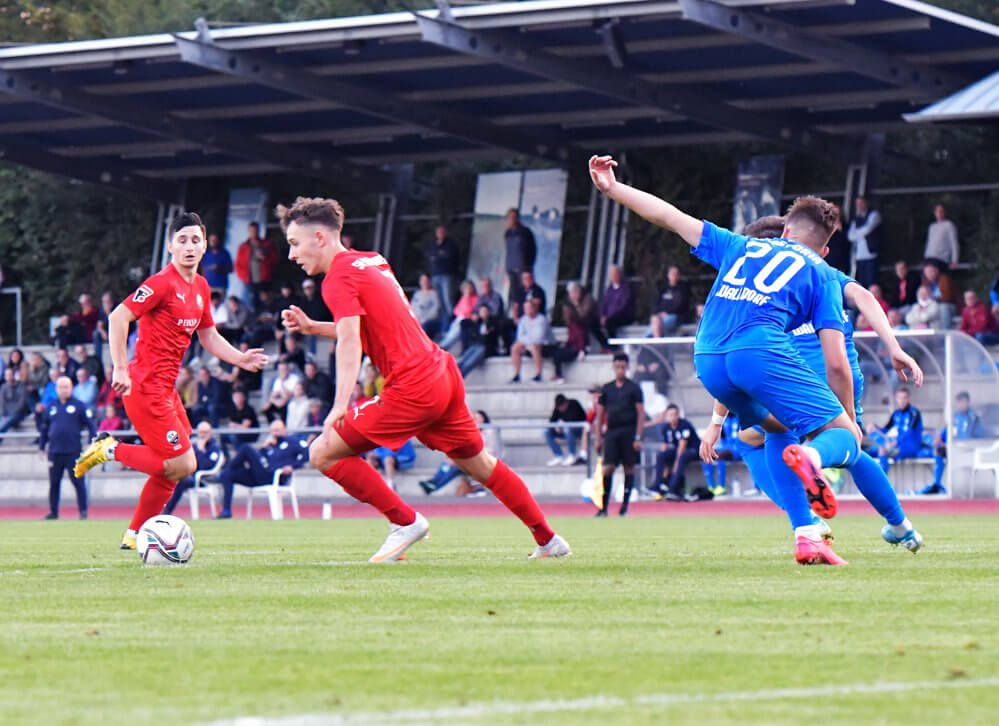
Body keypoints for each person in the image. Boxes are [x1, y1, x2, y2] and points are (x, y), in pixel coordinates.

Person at [591, 154, 900, 565]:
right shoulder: (822, 273)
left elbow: (669, 215)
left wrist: (613, 188)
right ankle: (812, 460)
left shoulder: (741, 245)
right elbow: (838, 362)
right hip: (757, 352)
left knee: (770, 430)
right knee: (843, 438)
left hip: (707, 358)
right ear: (825, 247)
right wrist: (844, 421)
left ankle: (807, 533)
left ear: (785, 230)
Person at [278, 196, 569, 561]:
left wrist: (339, 405)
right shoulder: (372, 261)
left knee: (322, 452)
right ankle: (548, 540)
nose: (291, 255)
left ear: (319, 237)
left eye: (294, 243)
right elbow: (378, 326)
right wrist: (313, 327)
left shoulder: (337, 278)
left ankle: (404, 521)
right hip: (442, 373)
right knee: (481, 465)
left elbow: (352, 340)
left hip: (413, 385)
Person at [701, 214, 923, 554]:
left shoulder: (756, 284)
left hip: (804, 375)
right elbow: (864, 296)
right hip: (841, 373)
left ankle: (807, 516)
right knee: (851, 449)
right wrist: (894, 347)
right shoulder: (821, 272)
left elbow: (740, 363)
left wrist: (716, 423)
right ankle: (901, 526)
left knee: (768, 436)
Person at [72, 212, 268, 551]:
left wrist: (240, 358)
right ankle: (109, 448)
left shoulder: (202, 287)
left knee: (172, 470)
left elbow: (209, 336)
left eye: (195, 240)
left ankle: (134, 535)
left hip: (166, 390)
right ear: (170, 246)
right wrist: (119, 367)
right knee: (184, 463)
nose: (189, 246)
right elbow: (118, 316)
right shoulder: (161, 283)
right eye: (182, 240)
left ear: (205, 246)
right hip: (143, 387)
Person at [215, 418, 308, 519]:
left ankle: (222, 473)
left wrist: (293, 466)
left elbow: (307, 454)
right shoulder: (270, 445)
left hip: (274, 476)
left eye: (278, 430)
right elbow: (259, 459)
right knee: (228, 475)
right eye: (273, 430)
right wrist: (264, 447)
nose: (275, 433)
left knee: (246, 448)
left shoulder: (292, 442)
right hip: (259, 475)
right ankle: (226, 511)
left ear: (284, 430)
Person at [593, 353, 645, 517]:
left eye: (623, 367)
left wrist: (638, 437)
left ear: (627, 367)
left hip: (629, 432)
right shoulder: (606, 389)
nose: (620, 370)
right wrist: (598, 437)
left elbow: (641, 414)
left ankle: (624, 507)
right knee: (608, 469)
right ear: (613, 368)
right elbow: (600, 415)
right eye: (617, 367)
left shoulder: (634, 388)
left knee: (628, 468)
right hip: (612, 433)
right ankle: (603, 507)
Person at [39, 375, 95, 520]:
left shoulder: (79, 405)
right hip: (55, 452)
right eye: (61, 387)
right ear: (56, 389)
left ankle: (83, 511)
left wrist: (91, 442)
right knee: (54, 483)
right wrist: (41, 446)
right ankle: (53, 512)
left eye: (66, 387)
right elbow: (44, 428)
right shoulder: (51, 407)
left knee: (78, 482)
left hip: (73, 452)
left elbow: (91, 425)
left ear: (71, 388)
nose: (63, 390)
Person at [419, 410, 498, 497]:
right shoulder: (471, 431)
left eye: (476, 418)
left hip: (484, 460)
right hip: (469, 460)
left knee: (456, 464)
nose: (474, 420)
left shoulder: (490, 432)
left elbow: (491, 450)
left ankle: (434, 484)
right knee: (448, 464)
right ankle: (434, 483)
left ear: (483, 419)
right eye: (473, 418)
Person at [920, 391, 983, 495]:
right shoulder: (955, 417)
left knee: (940, 450)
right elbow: (946, 432)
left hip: (967, 449)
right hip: (952, 448)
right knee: (937, 449)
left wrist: (952, 443)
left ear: (968, 402)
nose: (960, 405)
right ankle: (937, 484)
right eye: (958, 402)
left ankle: (939, 485)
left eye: (962, 402)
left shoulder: (973, 417)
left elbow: (971, 436)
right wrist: (939, 438)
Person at [163, 421, 224, 515]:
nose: (203, 435)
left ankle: (167, 511)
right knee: (170, 477)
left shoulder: (214, 448)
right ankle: (160, 507)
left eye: (205, 432)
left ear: (210, 433)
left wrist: (201, 450)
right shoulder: (193, 445)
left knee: (182, 480)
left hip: (204, 479)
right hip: (191, 476)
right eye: (201, 432)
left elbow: (205, 467)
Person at [868, 387, 923, 475]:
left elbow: (909, 432)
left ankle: (882, 481)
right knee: (866, 452)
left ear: (908, 399)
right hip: (895, 446)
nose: (902, 400)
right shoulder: (896, 413)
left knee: (883, 450)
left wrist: (895, 442)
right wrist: (875, 427)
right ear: (896, 399)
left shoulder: (914, 413)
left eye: (904, 398)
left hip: (910, 447)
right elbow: (885, 430)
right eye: (899, 398)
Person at [654, 404, 702, 501]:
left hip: (695, 451)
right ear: (667, 416)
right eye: (670, 415)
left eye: (674, 414)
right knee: (661, 455)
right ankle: (658, 485)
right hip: (679, 451)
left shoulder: (684, 425)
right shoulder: (666, 428)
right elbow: (664, 446)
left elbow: (682, 447)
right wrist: (665, 465)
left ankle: (672, 489)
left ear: (678, 415)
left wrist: (675, 465)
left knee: (682, 457)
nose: (672, 417)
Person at [509, 299, 556, 383]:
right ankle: (516, 375)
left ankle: (538, 374)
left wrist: (526, 343)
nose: (526, 310)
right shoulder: (523, 319)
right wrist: (526, 344)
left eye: (529, 308)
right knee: (515, 347)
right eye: (525, 308)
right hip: (529, 345)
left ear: (534, 308)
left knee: (534, 346)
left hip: (547, 345)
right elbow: (520, 336)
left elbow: (539, 338)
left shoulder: (542, 319)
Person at [234, 221, 279, 307]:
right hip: (249, 281)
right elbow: (238, 264)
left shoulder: (267, 244)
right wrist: (243, 277)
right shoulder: (243, 246)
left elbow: (275, 260)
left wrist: (265, 258)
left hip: (264, 280)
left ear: (258, 231)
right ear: (248, 232)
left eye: (255, 231)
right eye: (251, 231)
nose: (253, 233)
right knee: (250, 302)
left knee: (266, 302)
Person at [456, 304, 501, 377]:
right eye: (481, 311)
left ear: (489, 312)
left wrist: (483, 335)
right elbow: (465, 325)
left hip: (485, 348)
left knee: (468, 365)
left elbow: (488, 338)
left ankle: (457, 381)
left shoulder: (493, 322)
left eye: (485, 311)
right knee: (461, 363)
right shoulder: (478, 323)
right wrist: (474, 323)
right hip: (476, 345)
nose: (483, 313)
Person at [847, 195, 881, 289]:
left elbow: (868, 229)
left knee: (872, 283)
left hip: (871, 255)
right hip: (859, 257)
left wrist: (857, 233)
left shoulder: (874, 215)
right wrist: (861, 233)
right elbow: (850, 236)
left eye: (861, 203)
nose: (859, 206)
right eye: (857, 204)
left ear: (866, 203)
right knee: (862, 284)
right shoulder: (856, 219)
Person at [597, 264, 634, 348]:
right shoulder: (609, 289)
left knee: (609, 322)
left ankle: (613, 345)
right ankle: (604, 345)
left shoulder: (626, 288)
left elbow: (623, 306)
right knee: (593, 323)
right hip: (608, 317)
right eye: (611, 275)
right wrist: (602, 316)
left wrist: (609, 316)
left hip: (623, 316)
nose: (612, 276)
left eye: (614, 274)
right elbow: (604, 304)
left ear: (619, 274)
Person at [504, 208, 536, 305]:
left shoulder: (525, 232)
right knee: (513, 293)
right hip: (510, 267)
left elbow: (532, 250)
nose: (512, 219)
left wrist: (528, 266)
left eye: (514, 217)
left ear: (518, 218)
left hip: (523, 268)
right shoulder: (507, 233)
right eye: (510, 217)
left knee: (525, 292)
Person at [428, 225, 459, 320]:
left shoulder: (450, 245)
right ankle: (443, 320)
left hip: (447, 275)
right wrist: (440, 255)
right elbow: (431, 257)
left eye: (442, 232)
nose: (440, 234)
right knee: (439, 301)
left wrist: (439, 257)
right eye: (438, 232)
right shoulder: (434, 245)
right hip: (435, 275)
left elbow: (449, 258)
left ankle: (451, 319)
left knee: (448, 298)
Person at [545, 394, 586, 466]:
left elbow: (574, 420)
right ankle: (558, 455)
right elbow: (551, 421)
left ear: (566, 403)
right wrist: (556, 426)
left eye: (562, 406)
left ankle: (572, 455)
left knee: (567, 429)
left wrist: (562, 424)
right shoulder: (558, 408)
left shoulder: (574, 404)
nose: (560, 409)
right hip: (564, 431)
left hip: (579, 430)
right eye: (559, 407)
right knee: (546, 432)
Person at [437, 279, 479, 351]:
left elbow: (468, 309)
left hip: (467, 319)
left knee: (455, 331)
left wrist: (467, 297)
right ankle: (443, 345)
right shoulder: (463, 298)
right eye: (466, 288)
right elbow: (456, 311)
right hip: (460, 318)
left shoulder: (476, 298)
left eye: (469, 287)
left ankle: (443, 345)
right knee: (451, 330)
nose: (468, 289)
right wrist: (463, 311)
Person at [650, 265, 691, 336]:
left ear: (679, 275)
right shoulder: (663, 288)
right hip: (660, 317)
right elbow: (656, 303)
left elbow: (681, 305)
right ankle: (656, 341)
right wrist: (659, 313)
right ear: (668, 275)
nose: (674, 275)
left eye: (676, 273)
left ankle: (654, 343)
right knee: (654, 320)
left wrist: (667, 312)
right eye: (672, 273)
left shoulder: (683, 289)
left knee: (656, 326)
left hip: (675, 316)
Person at [299, 278, 332, 355]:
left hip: (321, 324)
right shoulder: (303, 301)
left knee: (311, 332)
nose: (308, 290)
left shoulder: (321, 299)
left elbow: (322, 314)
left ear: (314, 288)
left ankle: (312, 354)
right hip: (308, 325)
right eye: (306, 288)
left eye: (310, 287)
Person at [924, 204, 958, 269]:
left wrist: (954, 260)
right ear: (935, 213)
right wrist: (926, 256)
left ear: (944, 212)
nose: (939, 213)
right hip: (929, 258)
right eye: (937, 211)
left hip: (941, 259)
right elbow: (929, 243)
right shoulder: (932, 226)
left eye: (941, 211)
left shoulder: (949, 225)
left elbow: (954, 243)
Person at [0, 366, 29, 441]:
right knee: (5, 420)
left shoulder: (21, 386)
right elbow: (2, 403)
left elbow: (22, 403)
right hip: (7, 415)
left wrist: (11, 414)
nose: (8, 376)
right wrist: (4, 414)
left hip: (18, 413)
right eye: (7, 375)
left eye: (10, 374)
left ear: (13, 375)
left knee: (9, 420)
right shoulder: (3, 387)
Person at [411, 273, 443, 340]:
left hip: (427, 322)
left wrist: (424, 319)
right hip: (415, 320)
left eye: (426, 280)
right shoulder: (417, 293)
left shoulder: (434, 294)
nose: (424, 282)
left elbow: (436, 310)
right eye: (422, 280)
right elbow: (412, 307)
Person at [93, 291, 116, 364]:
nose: (106, 303)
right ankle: (98, 358)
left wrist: (109, 312)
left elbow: (115, 323)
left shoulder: (117, 308)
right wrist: (103, 332)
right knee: (95, 334)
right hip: (106, 332)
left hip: (116, 331)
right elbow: (99, 324)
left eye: (107, 301)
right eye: (104, 302)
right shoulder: (102, 311)